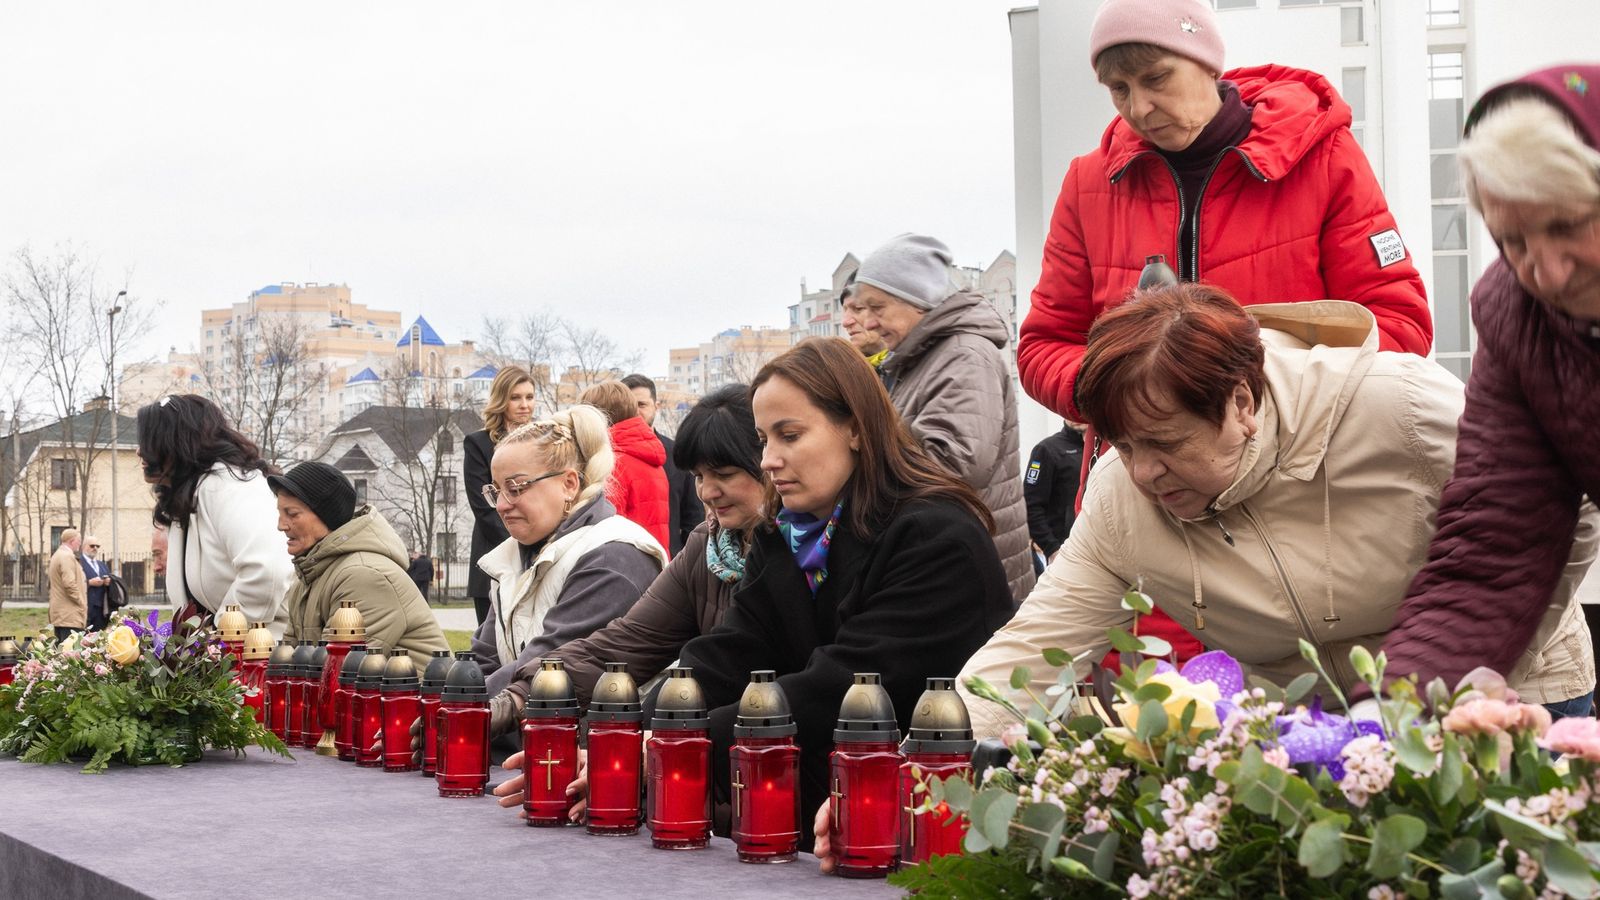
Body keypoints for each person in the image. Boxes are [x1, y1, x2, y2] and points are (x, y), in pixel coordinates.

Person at [956, 284, 1593, 743]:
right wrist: (932, 756)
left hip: (1508, 693)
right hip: (1309, 730)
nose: (1143, 471)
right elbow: (1036, 649)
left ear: (1240, 403)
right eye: (1124, 445)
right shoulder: (1120, 497)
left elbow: (1564, 504)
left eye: (1166, 443)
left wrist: (1482, 661)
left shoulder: (1399, 406)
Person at [1014, 0, 1435, 663]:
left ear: (1207, 62)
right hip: (1150, 506)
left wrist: (1240, 381)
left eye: (1156, 78)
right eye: (1119, 89)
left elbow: (1398, 324)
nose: (1139, 106)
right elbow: (1041, 346)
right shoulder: (1088, 184)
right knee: (1160, 736)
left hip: (1297, 503)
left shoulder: (1323, 158)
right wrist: (1131, 396)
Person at [664, 338, 1012, 850]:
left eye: (790, 435)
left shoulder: (936, 536)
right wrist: (640, 725)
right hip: (815, 822)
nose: (768, 460)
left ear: (854, 426)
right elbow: (729, 653)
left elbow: (844, 690)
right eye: (763, 440)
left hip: (927, 829)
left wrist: (678, 748)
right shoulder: (784, 534)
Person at [1376, 65, 1600, 707]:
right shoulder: (1518, 318)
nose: (1547, 272)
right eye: (1512, 240)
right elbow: (1495, 545)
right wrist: (1392, 712)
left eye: (1566, 226)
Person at [487, 385, 769, 809]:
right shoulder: (708, 545)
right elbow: (624, 642)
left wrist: (644, 749)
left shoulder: (615, 555)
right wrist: (497, 703)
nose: (707, 492)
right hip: (701, 771)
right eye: (698, 477)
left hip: (759, 776)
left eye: (724, 475)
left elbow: (738, 675)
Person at [854, 233, 1035, 602]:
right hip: (952, 561)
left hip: (973, 575)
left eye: (878, 307)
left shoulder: (964, 355)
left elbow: (958, 463)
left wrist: (859, 450)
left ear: (917, 299)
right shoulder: (924, 357)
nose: (869, 323)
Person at [468, 404, 667, 700]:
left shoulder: (613, 556)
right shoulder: (512, 557)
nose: (501, 505)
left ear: (569, 484)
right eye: (496, 490)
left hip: (592, 741)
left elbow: (547, 668)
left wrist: (457, 715)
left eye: (516, 487)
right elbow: (482, 661)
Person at [136, 395, 292, 636]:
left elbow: (266, 570)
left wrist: (220, 639)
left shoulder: (230, 485)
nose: (139, 451)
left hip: (258, 657)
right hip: (228, 659)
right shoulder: (188, 496)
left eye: (149, 441)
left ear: (175, 442)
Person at [271, 462, 449, 669]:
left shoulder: (363, 575)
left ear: (326, 515)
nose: (281, 525)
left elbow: (336, 672)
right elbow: (287, 666)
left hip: (411, 700)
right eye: (280, 513)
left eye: (292, 514)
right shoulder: (308, 577)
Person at [465, 366, 538, 628]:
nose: (524, 405)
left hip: (538, 552)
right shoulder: (478, 444)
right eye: (515, 397)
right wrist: (522, 544)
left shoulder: (543, 441)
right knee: (491, 646)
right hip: (495, 551)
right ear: (501, 400)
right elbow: (484, 507)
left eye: (529, 397)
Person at [579, 380, 671, 549]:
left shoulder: (612, 463)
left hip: (623, 565)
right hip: (653, 561)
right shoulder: (649, 455)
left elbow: (605, 529)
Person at [623, 373, 702, 554]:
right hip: (624, 564)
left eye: (642, 405)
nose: (635, 412)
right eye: (629, 406)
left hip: (673, 564)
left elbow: (693, 517)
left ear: (656, 407)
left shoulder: (677, 453)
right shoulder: (608, 457)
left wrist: (686, 562)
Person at [1023, 424, 1085, 566]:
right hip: (1064, 553)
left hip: (1100, 550)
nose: (1075, 413)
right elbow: (1031, 505)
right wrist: (1051, 549)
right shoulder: (1047, 450)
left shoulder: (1105, 448)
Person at [48, 529, 87, 642]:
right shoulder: (66, 556)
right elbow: (69, 583)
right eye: (78, 541)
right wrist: (81, 602)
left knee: (62, 651)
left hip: (62, 613)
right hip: (69, 614)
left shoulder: (57, 555)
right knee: (70, 652)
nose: (80, 544)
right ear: (71, 541)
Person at [838, 280, 888, 368]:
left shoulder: (915, 368)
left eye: (858, 308)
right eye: (845, 310)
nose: (845, 322)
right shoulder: (844, 372)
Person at [78, 535, 112, 630]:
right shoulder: (78, 563)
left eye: (97, 546)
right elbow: (72, 583)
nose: (95, 548)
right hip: (85, 609)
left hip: (101, 611)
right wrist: (89, 583)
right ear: (84, 546)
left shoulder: (102, 565)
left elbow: (110, 584)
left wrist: (108, 582)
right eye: (92, 546)